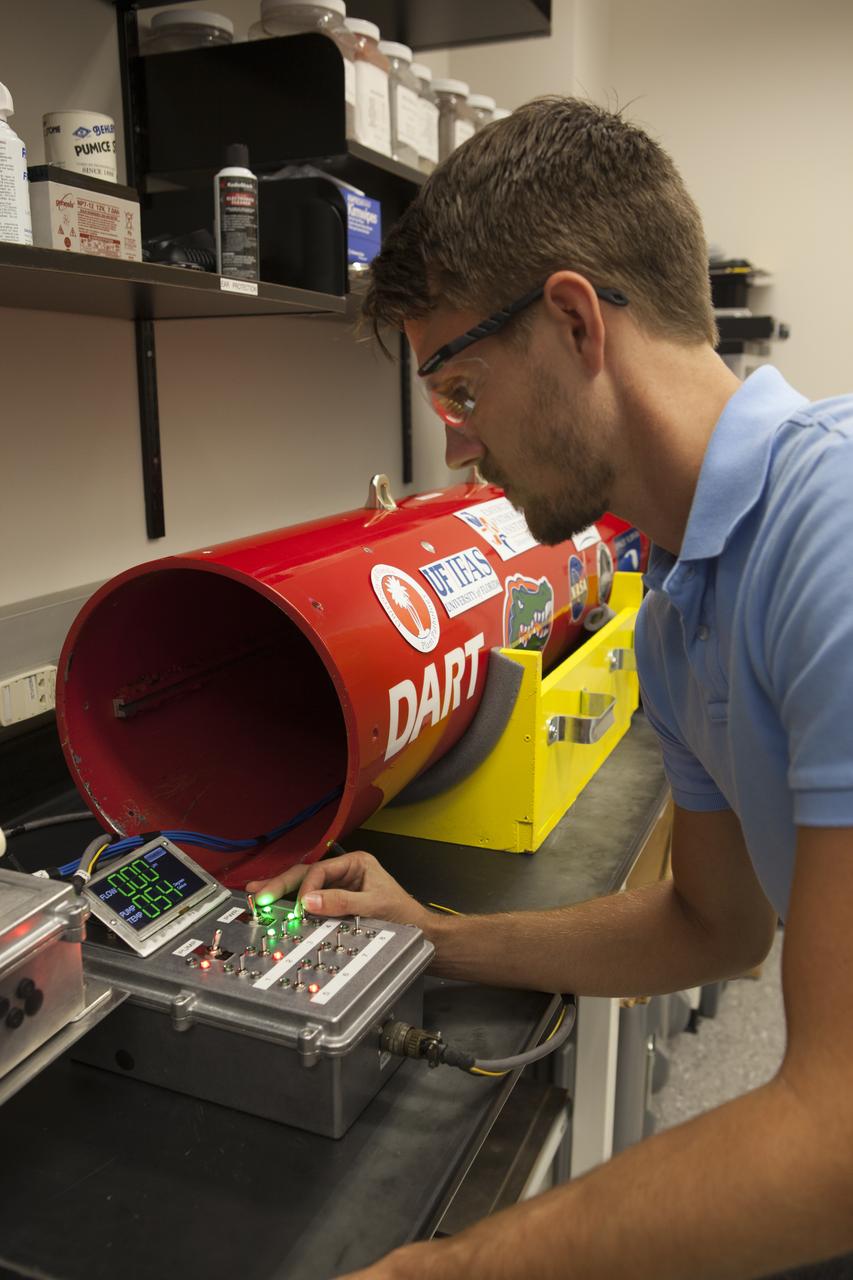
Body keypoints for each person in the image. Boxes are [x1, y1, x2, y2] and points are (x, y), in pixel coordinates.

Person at [246, 98, 853, 1278]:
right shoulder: (681, 604)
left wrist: (459, 1264)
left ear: (574, 321)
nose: (457, 446)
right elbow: (713, 924)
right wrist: (432, 939)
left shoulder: (830, 532)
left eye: (461, 392)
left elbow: (837, 1133)